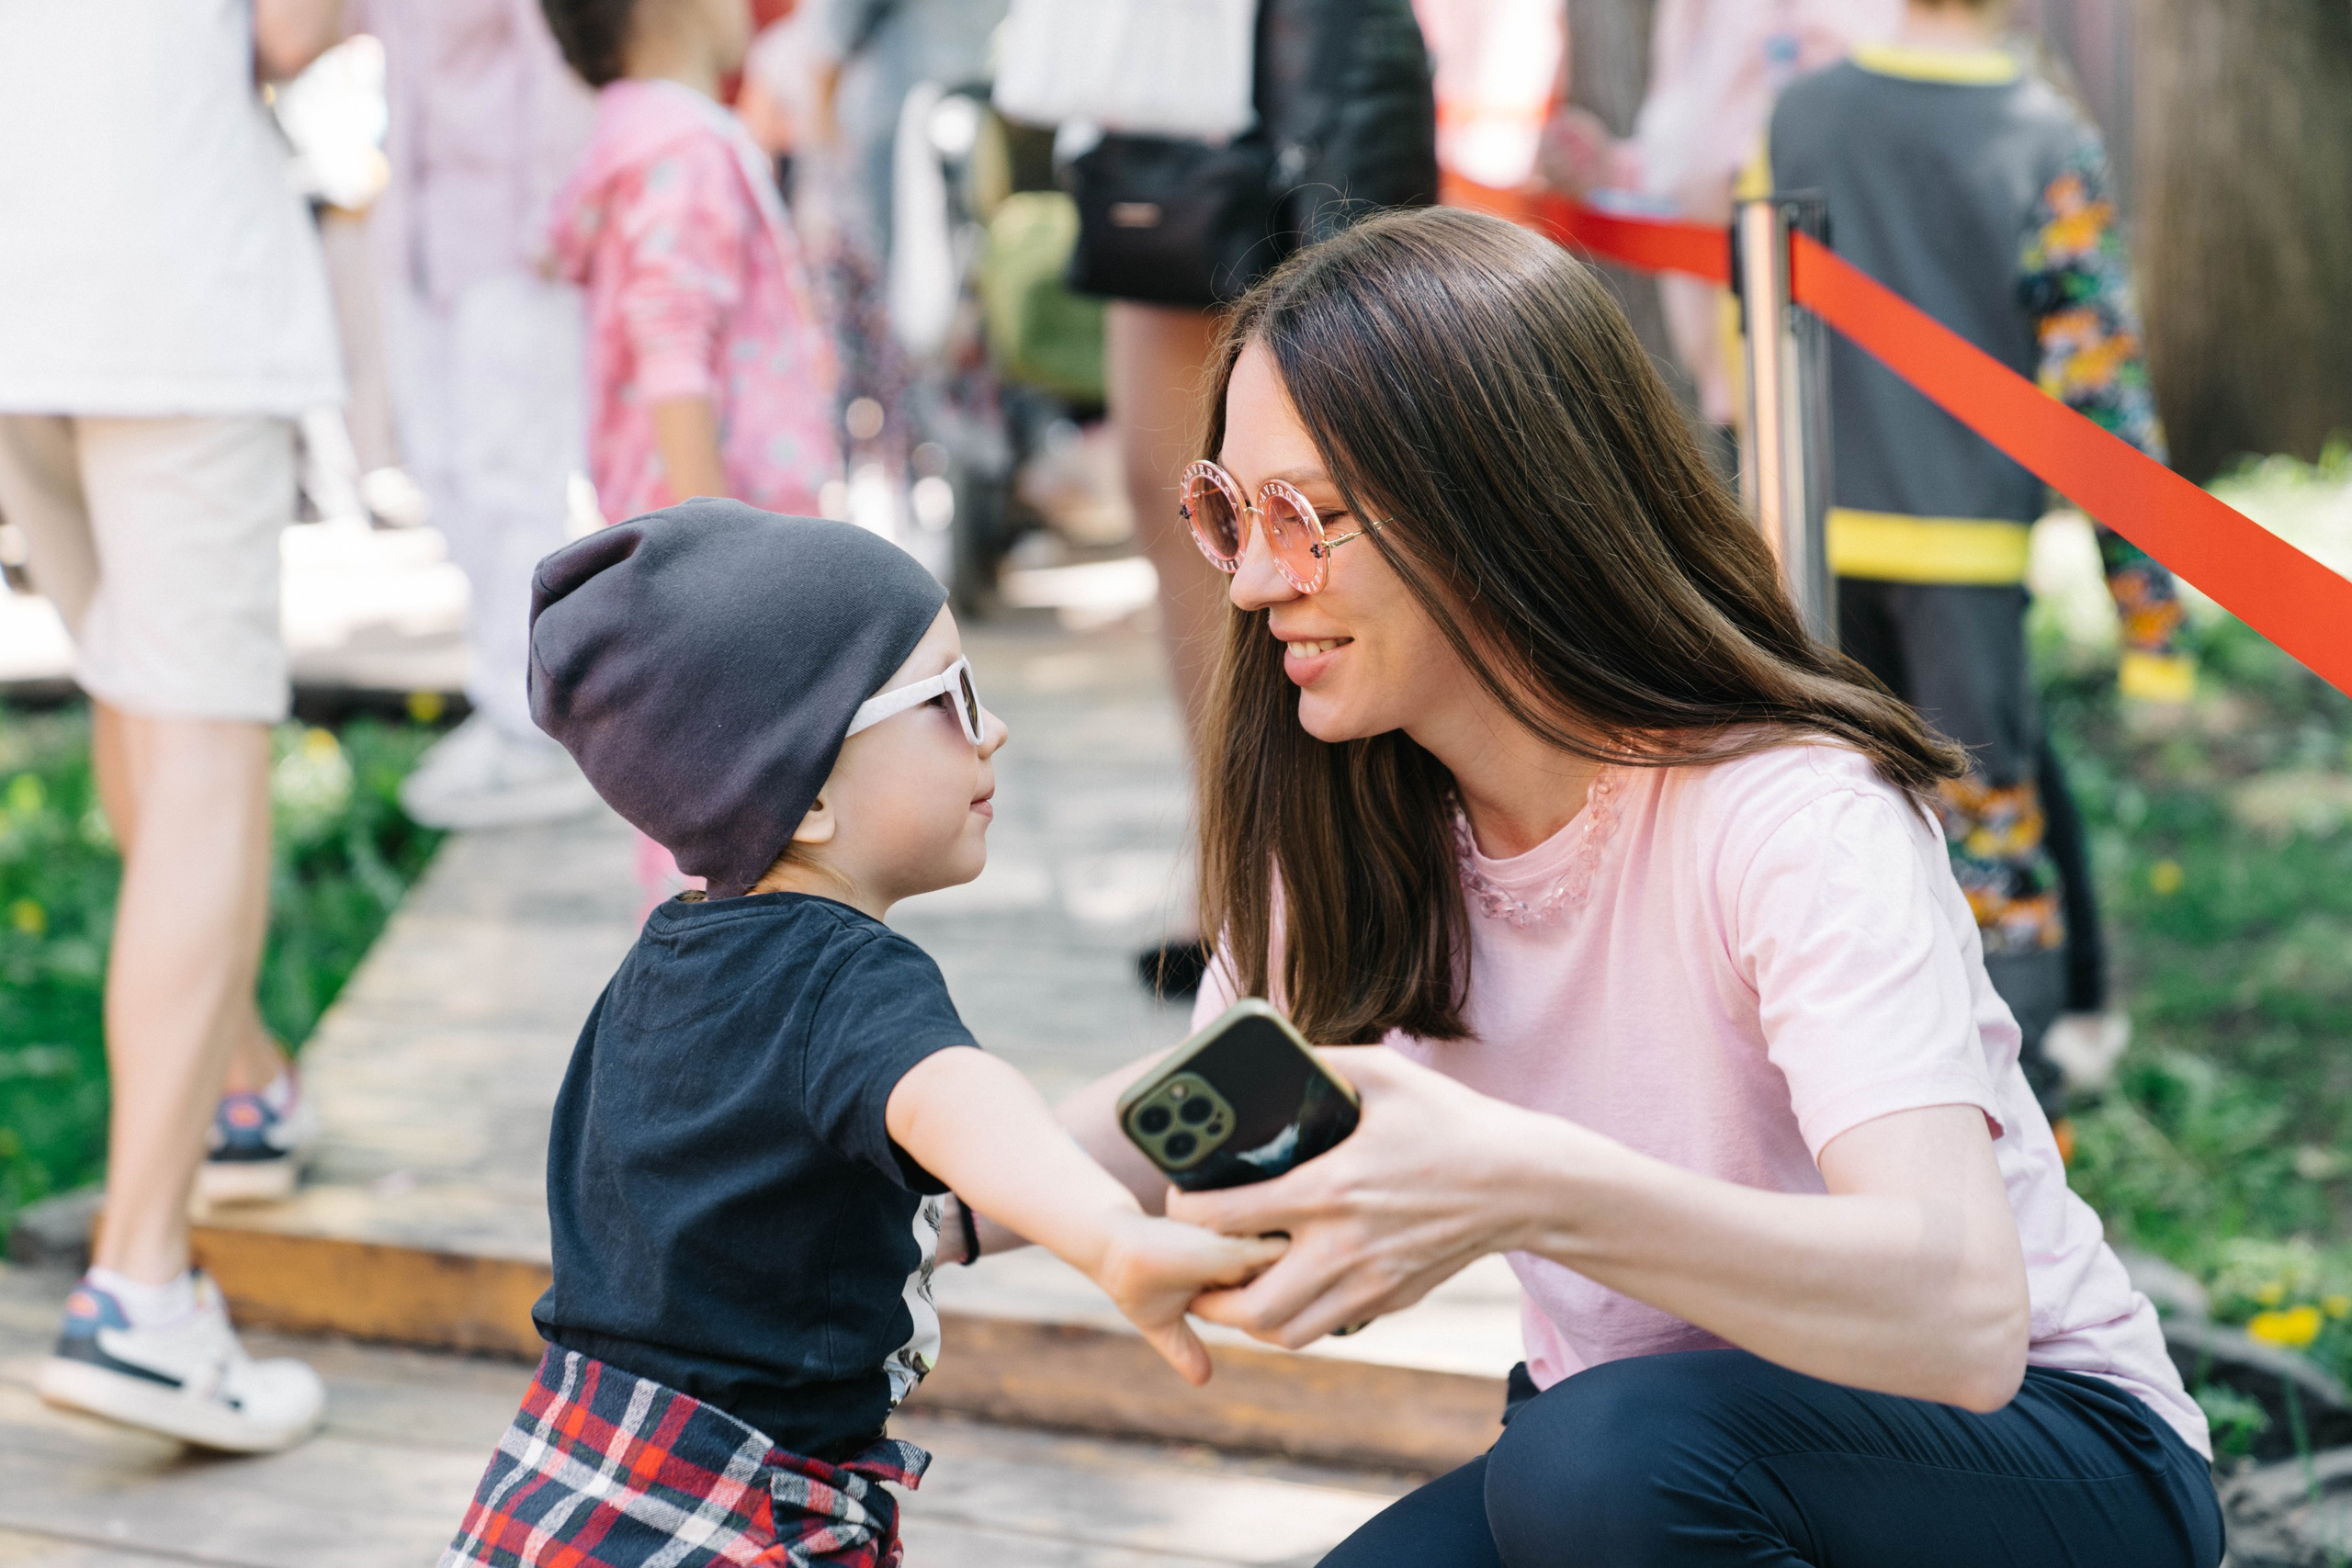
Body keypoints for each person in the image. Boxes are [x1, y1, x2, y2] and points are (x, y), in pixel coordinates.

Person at [954, 208, 2222, 1564]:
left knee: (1597, 1467)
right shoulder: (1357, 815)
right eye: (1230, 512)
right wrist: (908, 1215)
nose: (1256, 581)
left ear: (1492, 503)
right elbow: (1199, 1103)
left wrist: (1528, 1183)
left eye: (1304, 517)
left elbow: (1961, 1318)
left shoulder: (1789, 813)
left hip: (2041, 1446)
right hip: (1655, 1445)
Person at [439, 503, 1279, 1567]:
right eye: (951, 699)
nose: (995, 728)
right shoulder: (845, 975)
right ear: (808, 794)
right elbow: (953, 1100)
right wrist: (1108, 1235)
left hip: (567, 1486)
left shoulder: (659, 970)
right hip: (732, 1521)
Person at [0, 0, 347, 1450]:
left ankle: (244, 1078)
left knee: (138, 703)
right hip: (168, 264)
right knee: (202, 753)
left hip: (24, 265)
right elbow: (292, 30)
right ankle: (141, 1288)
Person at [1761, 0, 2193, 1120]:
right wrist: (2149, 620)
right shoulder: (2044, 136)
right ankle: (2021, 1109)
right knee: (1991, 822)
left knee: (1828, 816)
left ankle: (1851, 1097)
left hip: (1808, 537)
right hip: (1964, 544)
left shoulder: (1800, 114)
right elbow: (2099, 384)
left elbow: (1749, 333)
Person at [1099, 0, 1441, 996]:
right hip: (1165, 80)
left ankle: (1378, 853)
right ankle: (1248, 858)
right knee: (1193, 502)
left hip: (1318, 58)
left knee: (1355, 474)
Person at [541, 0, 846, 908]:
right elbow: (673, 356)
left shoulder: (632, 139)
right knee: (745, 833)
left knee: (704, 819)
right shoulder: (685, 146)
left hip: (682, 540)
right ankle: (716, 1030)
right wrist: (718, 565)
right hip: (724, 552)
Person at [356, 0, 607, 830]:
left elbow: (555, 57)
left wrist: (552, 214)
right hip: (420, 238)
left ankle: (536, 723)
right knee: (442, 470)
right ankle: (502, 699)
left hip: (512, 234)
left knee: (514, 476)